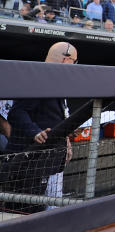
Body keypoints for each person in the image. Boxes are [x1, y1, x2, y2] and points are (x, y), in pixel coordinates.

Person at [4, 42, 77, 212]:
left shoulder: (56, 80)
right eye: (74, 61)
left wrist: (66, 142)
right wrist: (35, 132)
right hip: (28, 161)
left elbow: (58, 116)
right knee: (26, 211)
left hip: (49, 159)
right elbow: (17, 113)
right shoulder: (37, 77)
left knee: (49, 209)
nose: (74, 65)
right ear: (66, 60)